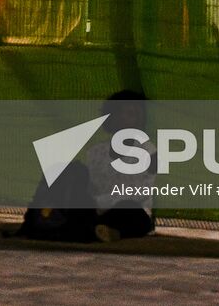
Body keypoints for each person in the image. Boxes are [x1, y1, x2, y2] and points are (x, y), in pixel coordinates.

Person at [14, 90, 156, 243]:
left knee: (132, 213)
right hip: (94, 210)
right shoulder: (96, 152)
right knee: (70, 172)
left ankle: (99, 230)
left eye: (134, 114)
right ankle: (90, 229)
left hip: (124, 210)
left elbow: (135, 194)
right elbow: (89, 188)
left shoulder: (148, 152)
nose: (128, 119)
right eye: (123, 113)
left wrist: (97, 203)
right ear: (110, 117)